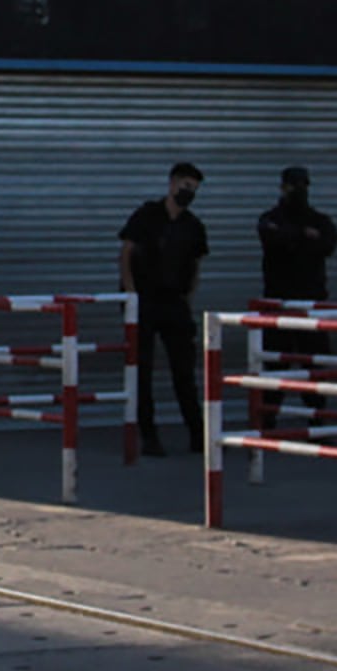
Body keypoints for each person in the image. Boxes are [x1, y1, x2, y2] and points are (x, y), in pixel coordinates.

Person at [119, 161, 209, 456]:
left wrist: (187, 300)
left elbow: (196, 265)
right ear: (172, 184)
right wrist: (131, 296)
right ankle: (149, 436)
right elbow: (126, 253)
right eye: (185, 185)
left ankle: (198, 435)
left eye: (193, 189)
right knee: (141, 371)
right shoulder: (147, 216)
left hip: (174, 303)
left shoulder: (193, 226)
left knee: (184, 372)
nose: (188, 192)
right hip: (144, 302)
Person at [256, 165, 337, 303]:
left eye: (302, 186)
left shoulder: (318, 220)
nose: (298, 190)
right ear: (283, 188)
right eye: (293, 185)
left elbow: (328, 244)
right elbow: (274, 238)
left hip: (312, 295)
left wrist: (297, 238)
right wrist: (304, 235)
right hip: (278, 296)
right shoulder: (271, 218)